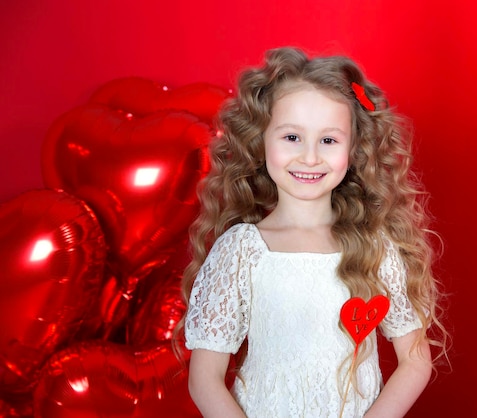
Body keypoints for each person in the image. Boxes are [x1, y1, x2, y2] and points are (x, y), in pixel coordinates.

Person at [178, 46, 449, 418]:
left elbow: (416, 360)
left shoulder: (373, 247)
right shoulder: (241, 251)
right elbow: (205, 380)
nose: (309, 157)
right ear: (262, 140)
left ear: (352, 149)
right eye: (292, 137)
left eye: (328, 140)